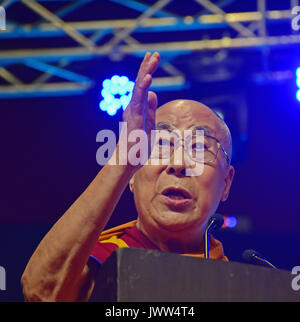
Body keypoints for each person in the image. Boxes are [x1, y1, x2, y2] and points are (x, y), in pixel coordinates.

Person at [21, 52, 235, 302]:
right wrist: (123, 159)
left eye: (199, 147)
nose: (178, 164)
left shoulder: (239, 284)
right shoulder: (105, 259)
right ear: (132, 177)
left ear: (226, 183)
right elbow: (41, 292)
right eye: (161, 144)